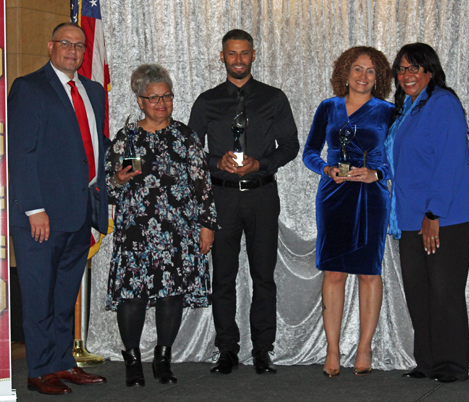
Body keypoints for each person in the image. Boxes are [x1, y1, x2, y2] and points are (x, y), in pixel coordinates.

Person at [188, 29, 299, 375]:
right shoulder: (207, 101)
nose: (238, 60)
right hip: (220, 198)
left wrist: (261, 164)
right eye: (231, 54)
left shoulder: (274, 98)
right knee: (223, 276)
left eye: (244, 53)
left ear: (253, 55)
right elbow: (191, 152)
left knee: (263, 276)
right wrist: (214, 161)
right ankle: (226, 350)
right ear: (222, 56)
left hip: (262, 194)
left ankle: (263, 350)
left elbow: (291, 146)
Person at [8, 22, 109, 395]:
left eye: (79, 46)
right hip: (41, 216)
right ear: (51, 46)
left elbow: (95, 144)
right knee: (39, 295)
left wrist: (116, 168)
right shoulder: (29, 88)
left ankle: (63, 362)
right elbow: (21, 153)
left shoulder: (94, 91)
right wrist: (34, 209)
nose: (73, 50)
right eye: (66, 43)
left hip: (80, 210)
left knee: (65, 295)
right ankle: (39, 371)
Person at [105, 64, 217, 387]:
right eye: (153, 98)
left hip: (178, 232)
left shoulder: (185, 136)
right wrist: (118, 179)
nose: (161, 103)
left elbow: (203, 185)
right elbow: (108, 190)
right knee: (132, 296)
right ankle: (133, 362)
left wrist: (206, 225)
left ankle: (163, 359)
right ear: (139, 101)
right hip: (136, 232)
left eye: (166, 96)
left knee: (172, 294)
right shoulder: (127, 139)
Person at [386, 43, 469, 383]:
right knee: (418, 292)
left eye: (415, 68)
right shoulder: (406, 109)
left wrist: (434, 215)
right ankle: (427, 362)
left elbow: (451, 160)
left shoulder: (443, 102)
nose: (407, 75)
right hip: (411, 214)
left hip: (448, 213)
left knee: (444, 291)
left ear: (431, 72)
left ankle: (452, 366)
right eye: (402, 69)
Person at [303, 47, 394, 377]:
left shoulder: (388, 111)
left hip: (371, 197)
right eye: (357, 69)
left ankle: (365, 347)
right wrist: (326, 169)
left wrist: (377, 174)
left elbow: (395, 156)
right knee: (334, 273)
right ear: (345, 71)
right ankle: (332, 349)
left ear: (379, 77)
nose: (363, 76)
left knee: (370, 272)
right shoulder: (328, 107)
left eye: (371, 71)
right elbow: (310, 151)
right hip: (333, 196)